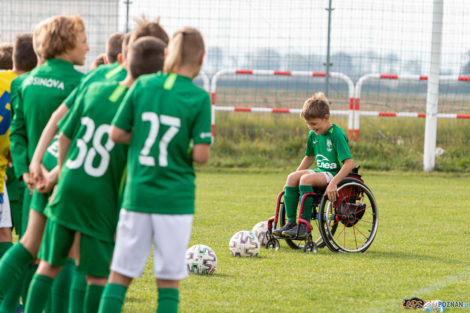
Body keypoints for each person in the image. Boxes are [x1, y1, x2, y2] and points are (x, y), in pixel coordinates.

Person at [23, 36, 166, 313]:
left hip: (68, 185)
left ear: (125, 62)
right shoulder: (142, 109)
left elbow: (64, 136)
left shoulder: (96, 87)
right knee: (97, 275)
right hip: (100, 196)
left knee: (49, 265)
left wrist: (61, 172)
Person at [98, 27, 211, 313]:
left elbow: (115, 133)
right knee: (168, 281)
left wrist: (140, 138)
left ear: (167, 54)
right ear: (202, 57)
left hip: (138, 195)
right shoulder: (199, 99)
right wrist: (178, 150)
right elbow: (201, 155)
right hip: (175, 200)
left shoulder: (144, 84)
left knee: (120, 275)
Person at [0, 15, 89, 310]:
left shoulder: (24, 82)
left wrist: (27, 170)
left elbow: (19, 134)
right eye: (82, 39)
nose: (87, 48)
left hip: (32, 180)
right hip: (66, 175)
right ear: (65, 43)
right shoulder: (82, 82)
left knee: (29, 247)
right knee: (64, 254)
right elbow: (77, 135)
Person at [272, 92, 354, 238]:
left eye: (314, 124)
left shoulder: (336, 134)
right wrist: (295, 178)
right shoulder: (313, 134)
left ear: (326, 118)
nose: (311, 128)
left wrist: (334, 183)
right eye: (308, 124)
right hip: (320, 172)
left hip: (334, 173)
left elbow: (349, 163)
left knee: (305, 180)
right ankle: (290, 223)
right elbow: (309, 157)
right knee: (292, 177)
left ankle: (304, 225)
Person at [0, 33, 37, 313]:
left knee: (4, 233)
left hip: (5, 174)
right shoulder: (28, 86)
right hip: (14, 172)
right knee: (16, 240)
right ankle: (15, 303)